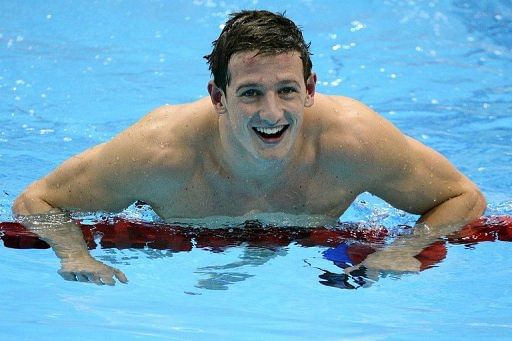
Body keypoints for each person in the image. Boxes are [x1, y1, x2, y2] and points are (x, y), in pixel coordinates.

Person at [12, 10, 486, 285]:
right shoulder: (159, 152)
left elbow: (464, 197)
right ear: (218, 97)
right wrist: (74, 254)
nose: (273, 113)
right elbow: (37, 201)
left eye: (286, 90)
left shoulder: (354, 141)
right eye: (250, 93)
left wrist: (409, 245)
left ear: (311, 89)